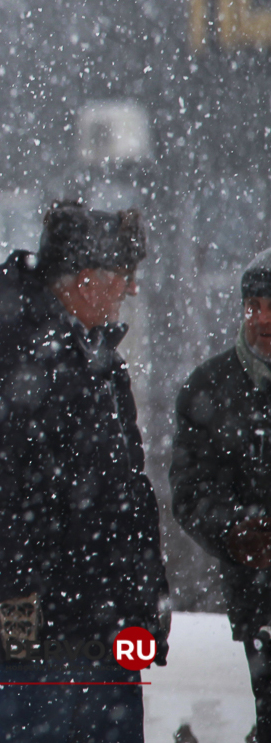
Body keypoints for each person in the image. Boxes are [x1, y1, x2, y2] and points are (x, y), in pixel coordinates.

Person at [0, 200, 169, 743]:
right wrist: (34, 588)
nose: (129, 292)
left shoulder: (100, 362)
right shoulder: (5, 354)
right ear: (86, 280)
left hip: (109, 628)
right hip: (43, 627)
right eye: (121, 278)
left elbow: (130, 491)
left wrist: (142, 605)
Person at [171, 248, 271, 743]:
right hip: (260, 603)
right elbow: (190, 493)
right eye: (254, 306)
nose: (263, 319)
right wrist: (234, 531)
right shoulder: (210, 389)